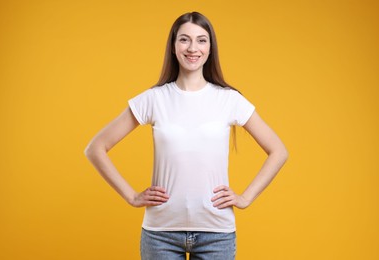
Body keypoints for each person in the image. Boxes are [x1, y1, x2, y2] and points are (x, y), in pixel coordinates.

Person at [84, 11, 288, 260]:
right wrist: (131, 196)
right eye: (184, 39)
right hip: (161, 234)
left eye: (201, 40)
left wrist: (245, 198)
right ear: (173, 46)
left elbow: (278, 151)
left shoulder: (229, 100)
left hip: (217, 234)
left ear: (210, 48)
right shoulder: (154, 99)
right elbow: (96, 148)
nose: (193, 48)